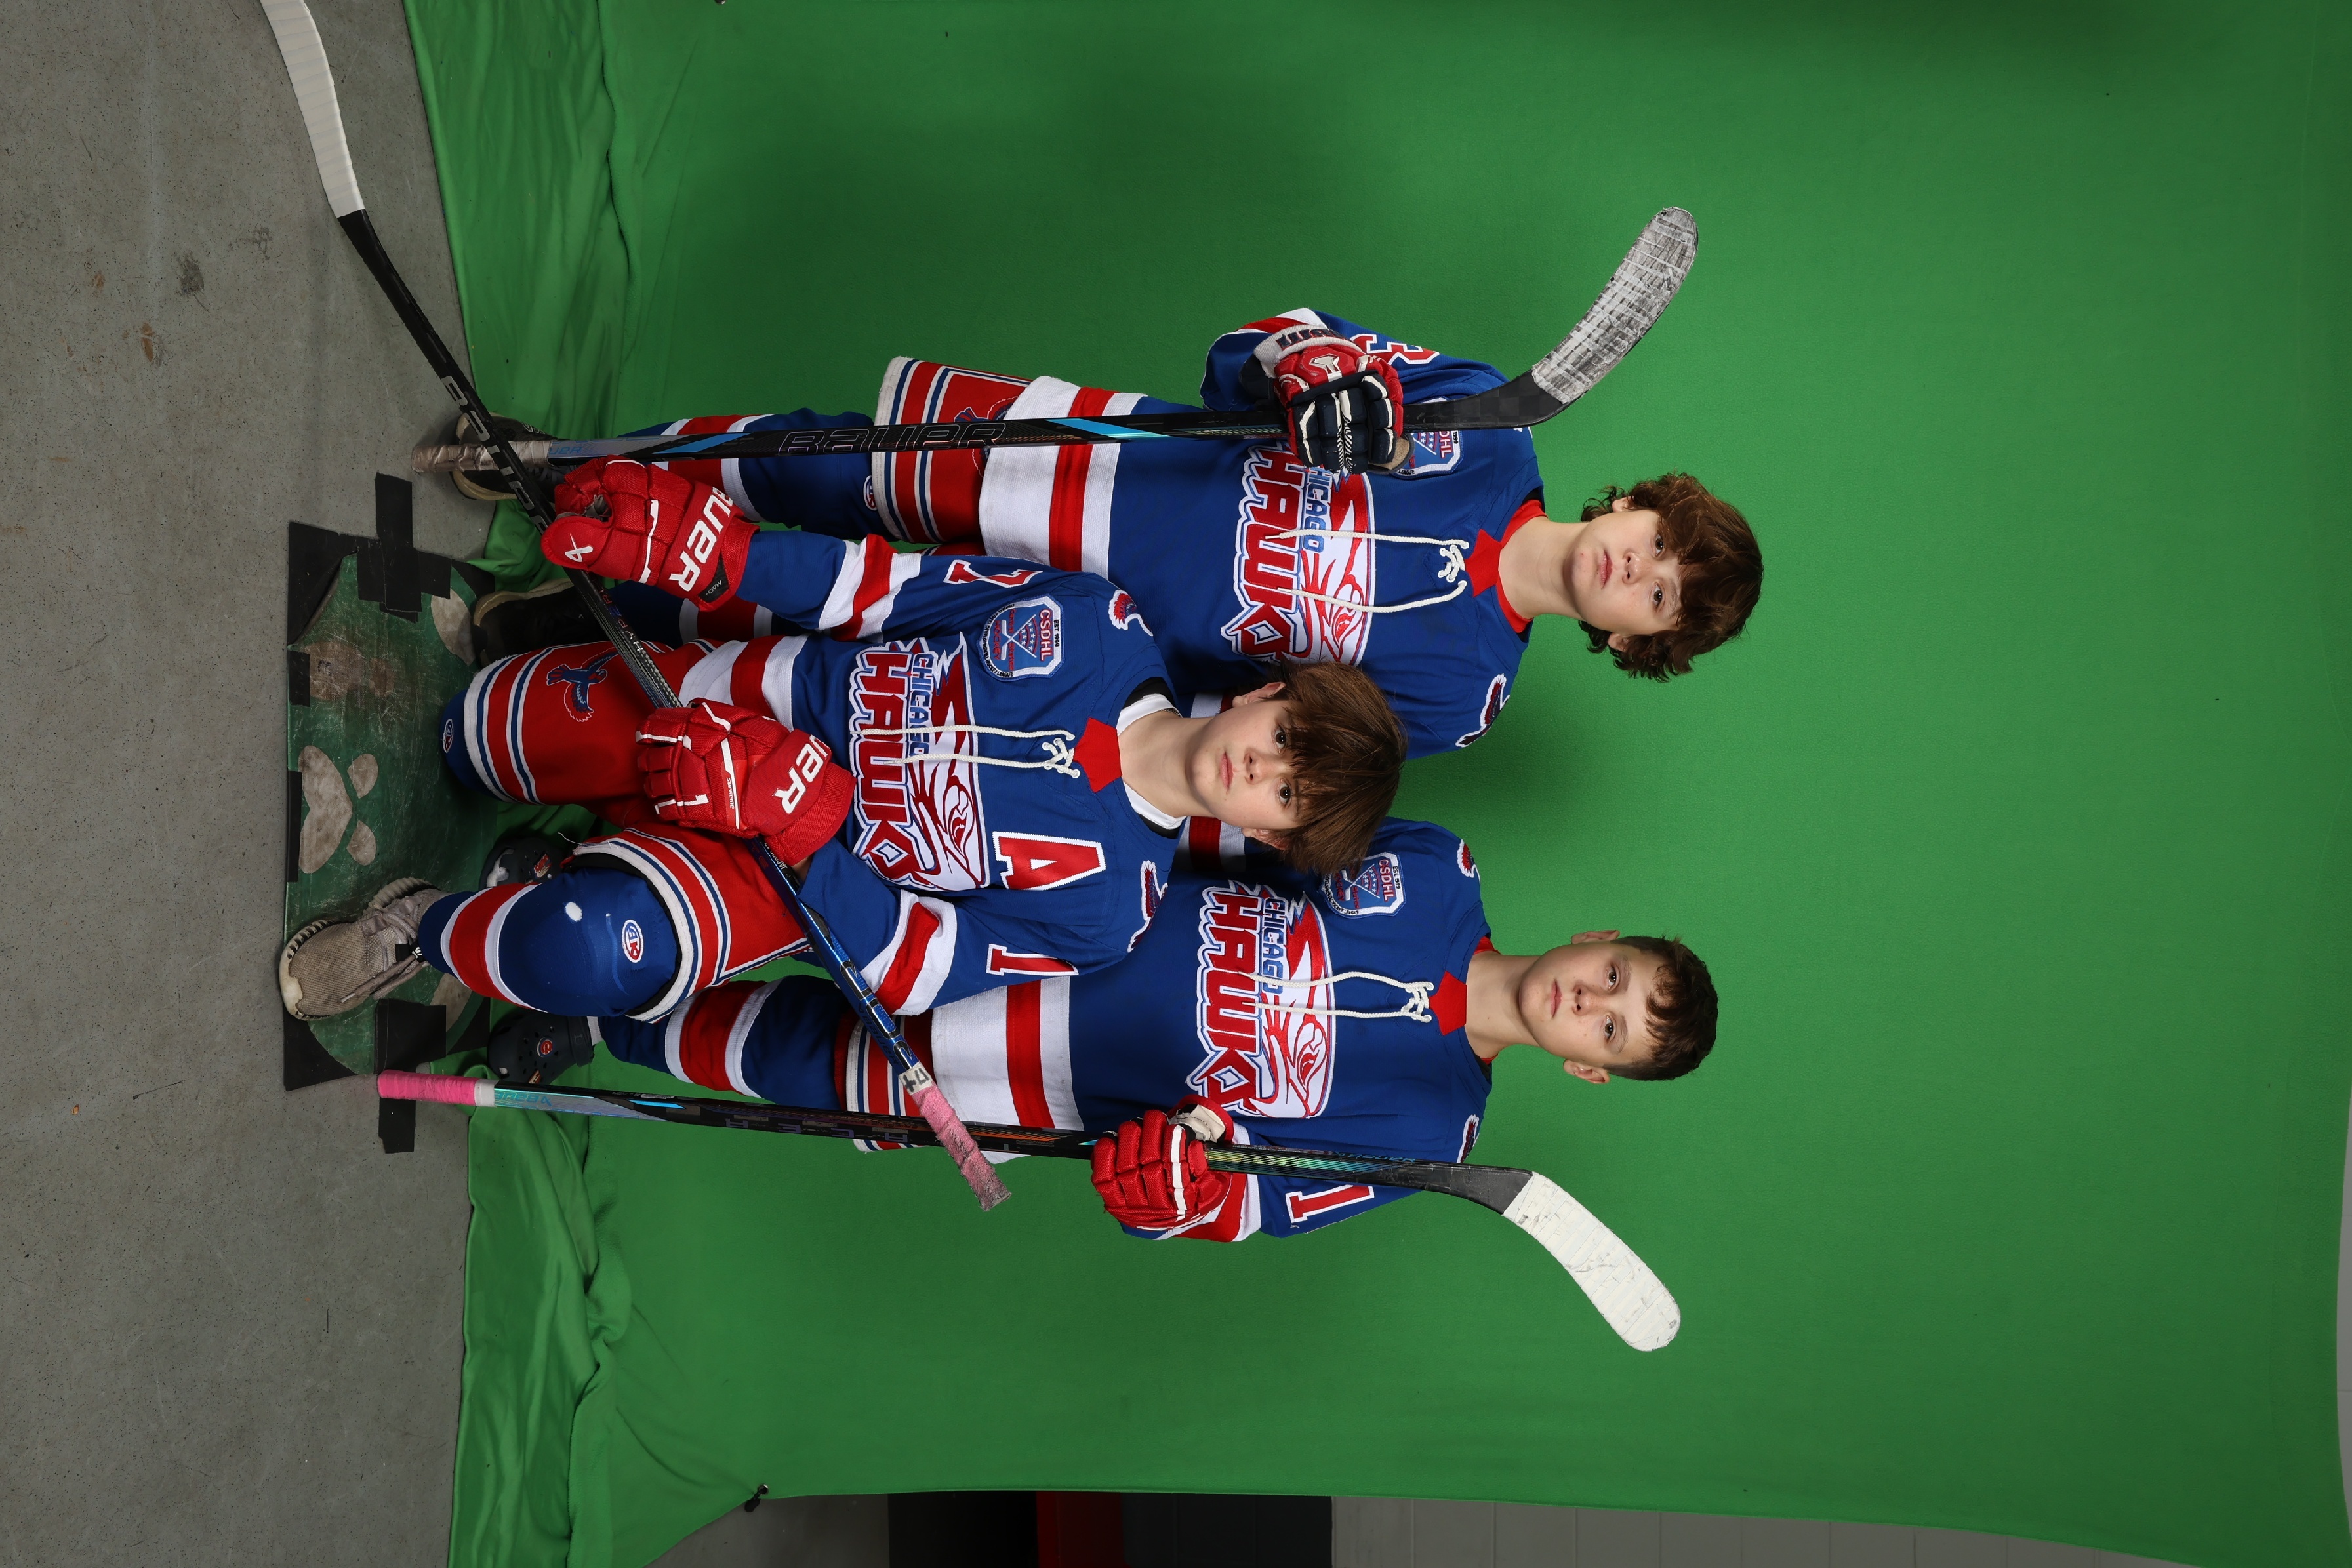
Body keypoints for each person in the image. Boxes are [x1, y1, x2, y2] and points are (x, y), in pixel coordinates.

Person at [279, 458, 1406, 1027]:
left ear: (1271, 839)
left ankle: (419, 924)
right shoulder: (1099, 623)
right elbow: (881, 588)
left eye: (1288, 797)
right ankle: (565, 818)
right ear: (1268, 689)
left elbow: (915, 969)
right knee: (467, 733)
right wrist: (722, 556)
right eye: (1286, 736)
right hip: (710, 709)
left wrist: (814, 831)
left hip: (767, 875)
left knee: (572, 952)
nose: (1262, 769)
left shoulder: (1114, 914)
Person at [591, 309, 1764, 757]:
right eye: (1662, 540)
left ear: (1629, 642)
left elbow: (1242, 729)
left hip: (1053, 640)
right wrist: (1309, 368)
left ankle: (585, 620)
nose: (1640, 567)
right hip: (1082, 474)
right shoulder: (1486, 426)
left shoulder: (1464, 700)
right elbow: (1258, 341)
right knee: (815, 466)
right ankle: (582, 476)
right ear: (1634, 502)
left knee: (813, 620)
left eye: (1659, 597)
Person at [556, 818, 1718, 1242]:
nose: (1590, 1003)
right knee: (779, 902)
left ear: (1588, 1071)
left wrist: (1184, 1196)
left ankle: (590, 1019)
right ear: (1594, 937)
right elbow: (1229, 827)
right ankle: (579, 887)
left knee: (775, 1053)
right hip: (1024, 920)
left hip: (1026, 1081)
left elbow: (1252, 1203)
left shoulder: (1435, 1137)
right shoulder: (1437, 866)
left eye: (1611, 1033)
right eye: (1612, 977)